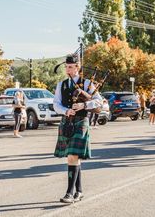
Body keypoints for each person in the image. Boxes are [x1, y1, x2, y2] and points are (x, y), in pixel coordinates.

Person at [53, 54, 103, 204]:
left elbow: (99, 102)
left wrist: (84, 105)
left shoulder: (87, 83)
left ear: (77, 67)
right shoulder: (61, 85)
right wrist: (65, 111)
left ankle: (69, 193)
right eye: (66, 67)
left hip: (81, 121)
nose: (67, 69)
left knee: (72, 156)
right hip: (67, 122)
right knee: (74, 157)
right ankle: (79, 191)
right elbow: (56, 104)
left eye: (70, 67)